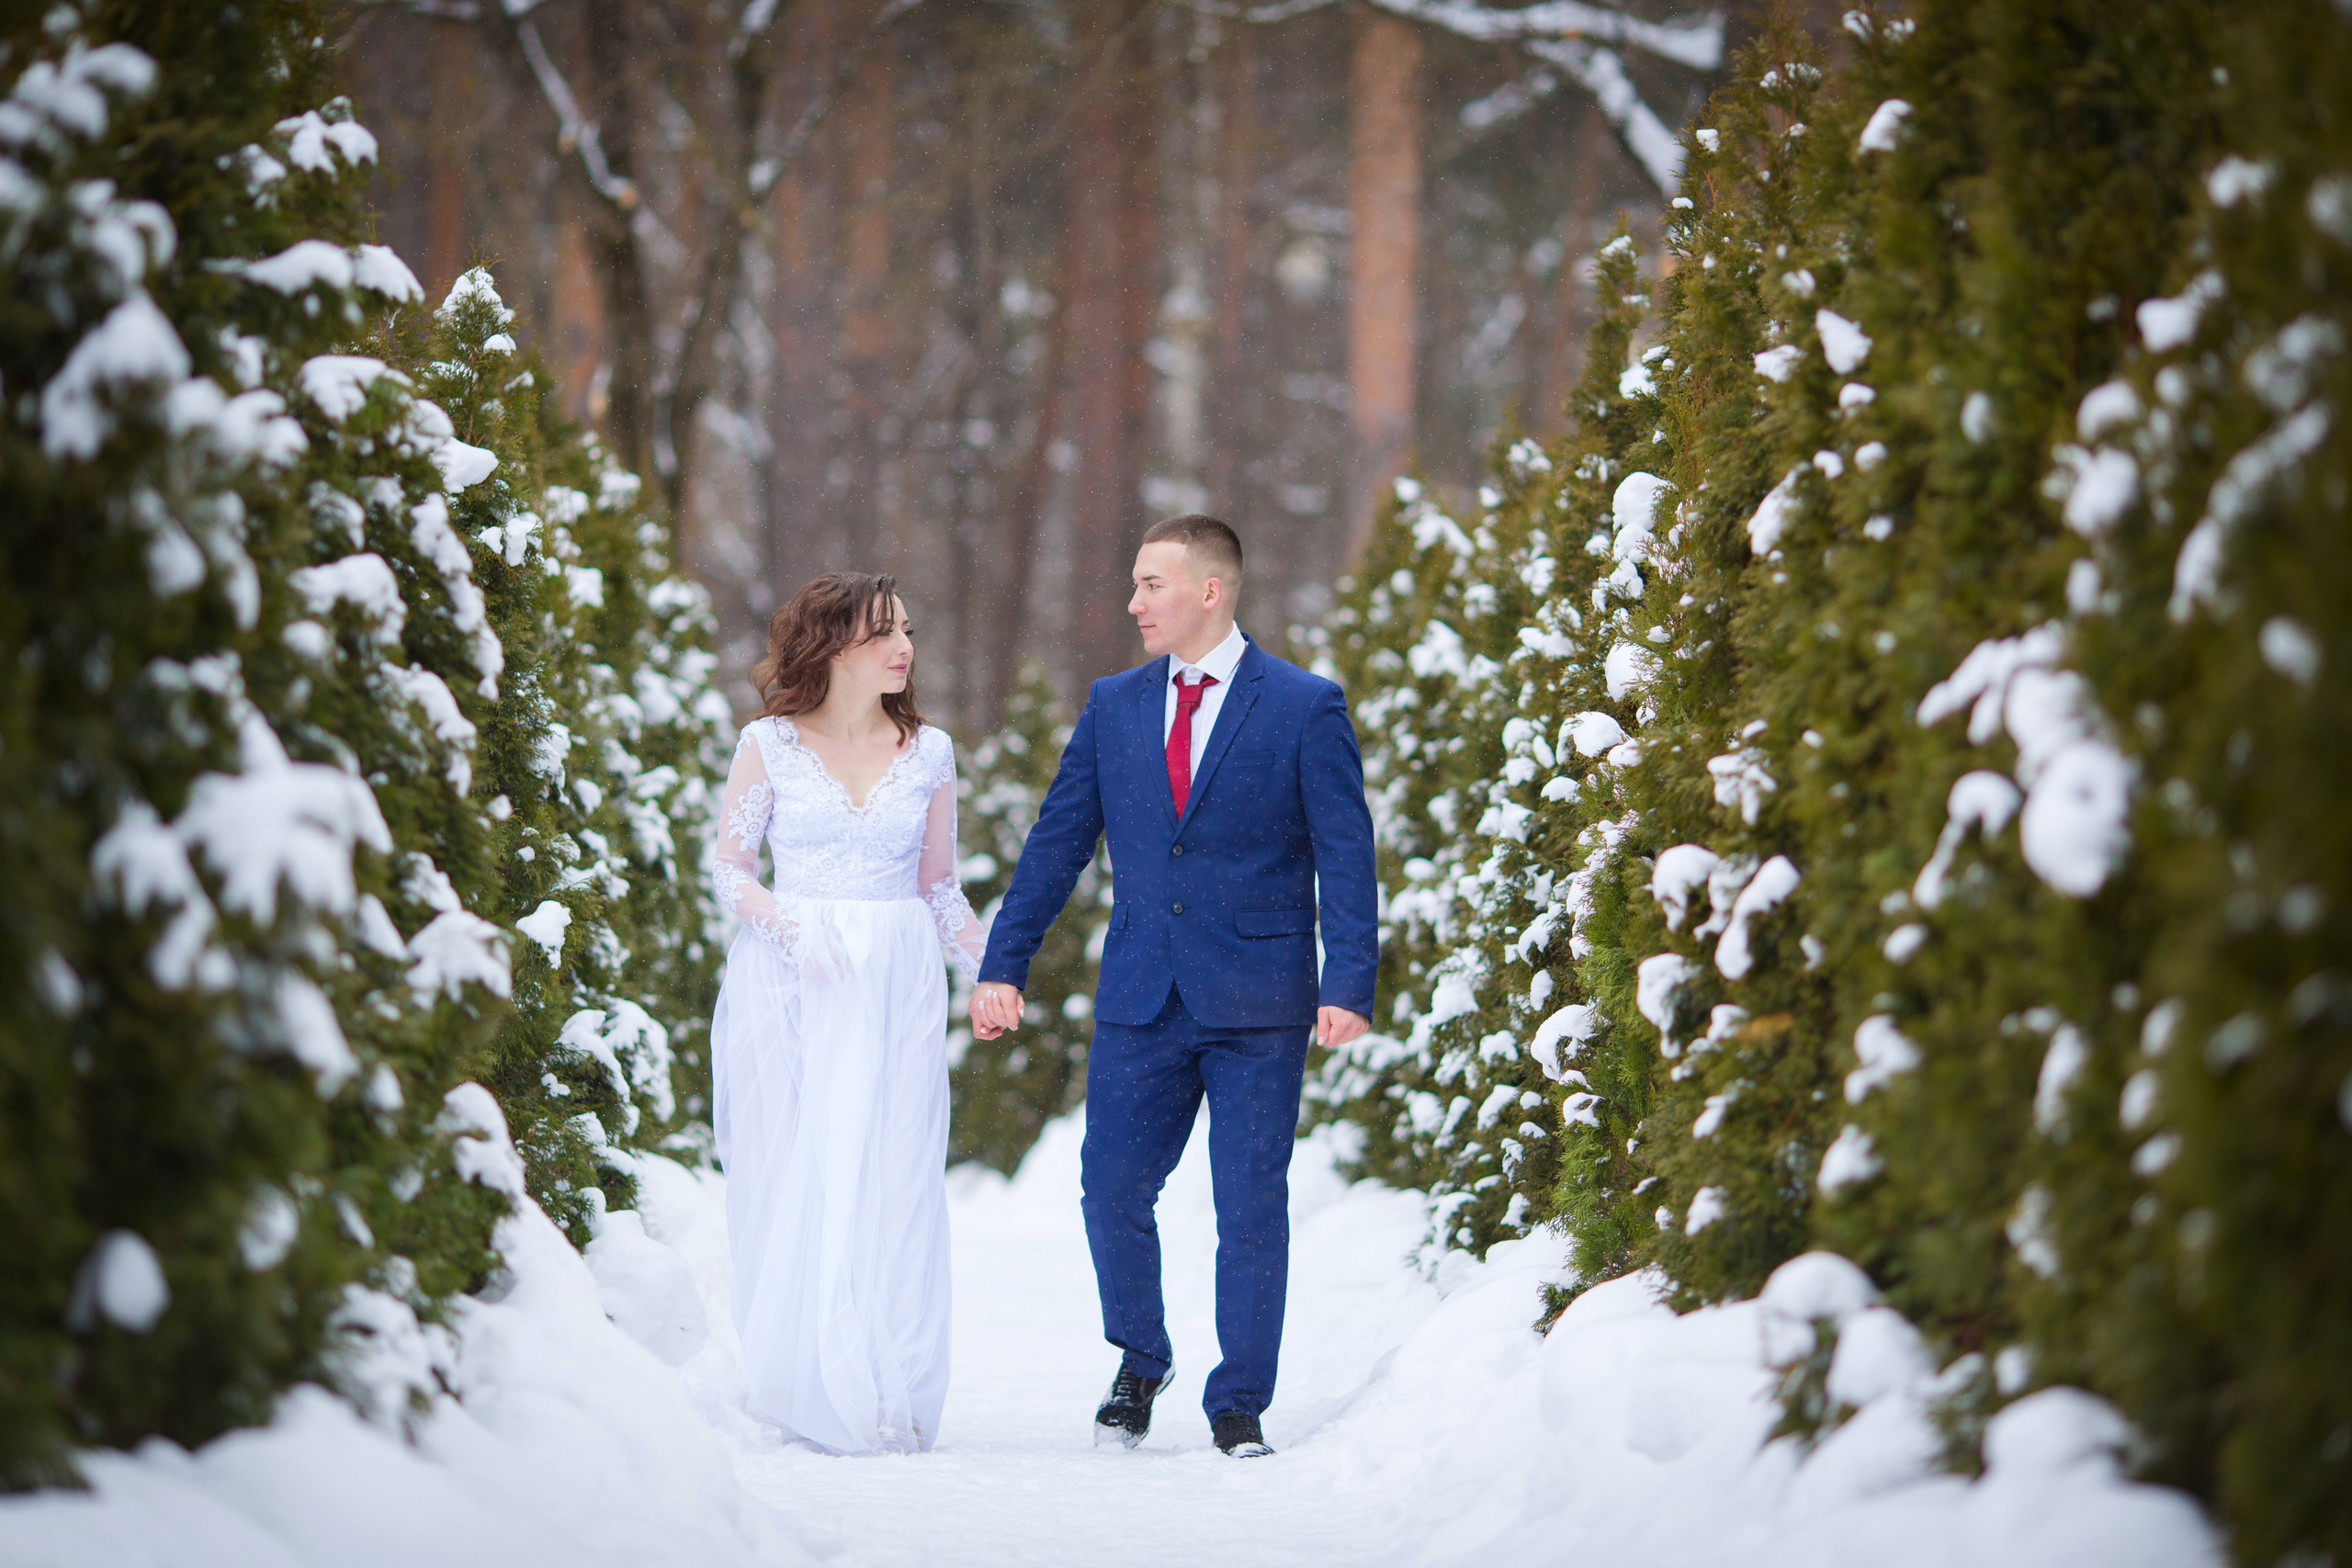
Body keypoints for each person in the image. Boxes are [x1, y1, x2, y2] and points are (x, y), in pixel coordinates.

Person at [968, 515, 1377, 1460]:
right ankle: (1141, 1358)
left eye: (1151, 584)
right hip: (1142, 995)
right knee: (1109, 1187)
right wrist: (1003, 962)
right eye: (1134, 583)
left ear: (1209, 590)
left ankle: (1239, 1403)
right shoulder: (1113, 705)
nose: (1133, 603)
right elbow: (1058, 841)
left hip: (1260, 1002)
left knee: (1249, 1206)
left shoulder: (1304, 705)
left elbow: (1345, 853)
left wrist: (1348, 979)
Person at [707, 572, 985, 1455]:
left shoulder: (930, 751)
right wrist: (790, 930)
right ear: (831, 646)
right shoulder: (769, 744)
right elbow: (731, 869)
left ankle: (889, 1377)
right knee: (806, 1168)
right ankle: (808, 1377)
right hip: (796, 976)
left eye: (907, 630)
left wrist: (991, 968)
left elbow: (938, 884)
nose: (905, 647)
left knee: (896, 1173)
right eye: (883, 633)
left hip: (898, 978)